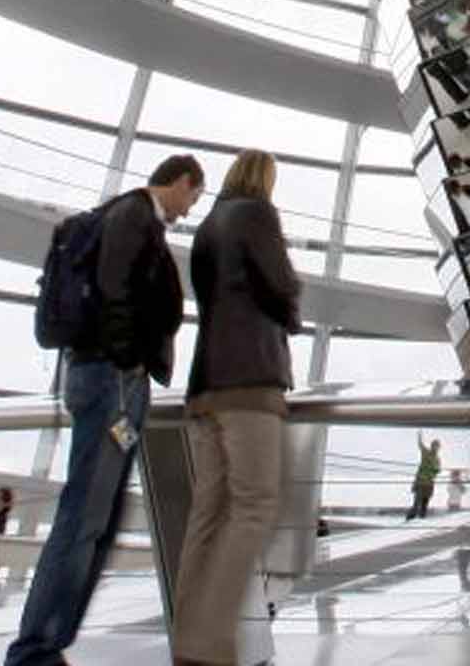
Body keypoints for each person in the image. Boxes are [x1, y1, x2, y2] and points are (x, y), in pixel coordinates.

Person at [5, 154, 204, 666]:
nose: (188, 210)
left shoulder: (120, 215)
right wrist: (127, 359)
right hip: (112, 379)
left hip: (102, 376)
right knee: (85, 517)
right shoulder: (135, 215)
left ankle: (48, 643)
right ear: (182, 182)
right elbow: (116, 288)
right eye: (193, 198)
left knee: (99, 515)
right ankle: (35, 650)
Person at [172, 148, 299, 666]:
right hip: (249, 380)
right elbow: (281, 285)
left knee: (208, 514)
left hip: (205, 382)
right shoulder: (257, 213)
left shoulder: (207, 227)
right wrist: (292, 307)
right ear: (264, 180)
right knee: (254, 506)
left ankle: (187, 640)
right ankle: (213, 642)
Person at [409, 437, 442, 520]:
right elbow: (420, 445)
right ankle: (410, 519)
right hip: (421, 482)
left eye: (437, 446)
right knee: (416, 503)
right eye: (434, 445)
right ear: (431, 446)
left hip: (429, 484)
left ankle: (422, 519)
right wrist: (419, 437)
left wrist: (435, 470)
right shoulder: (426, 452)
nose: (435, 448)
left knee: (425, 503)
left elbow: (438, 470)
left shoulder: (437, 459)